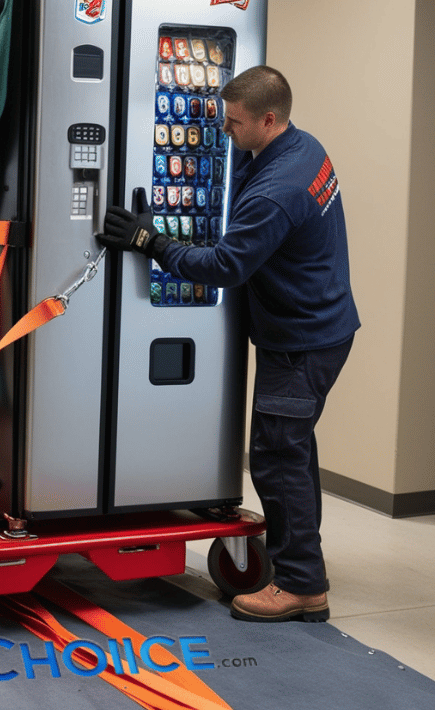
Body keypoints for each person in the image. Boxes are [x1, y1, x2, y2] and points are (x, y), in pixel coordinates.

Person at [100, 65, 359, 623]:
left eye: (234, 123)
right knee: (294, 451)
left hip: (300, 341)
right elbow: (240, 171)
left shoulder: (279, 191)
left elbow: (224, 266)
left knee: (275, 460)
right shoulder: (301, 147)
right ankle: (303, 564)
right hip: (320, 326)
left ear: (269, 119)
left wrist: (150, 240)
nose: (225, 130)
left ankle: (300, 588)